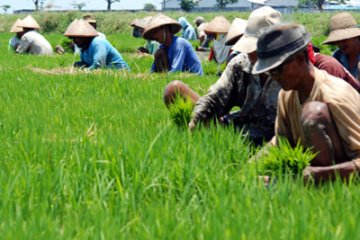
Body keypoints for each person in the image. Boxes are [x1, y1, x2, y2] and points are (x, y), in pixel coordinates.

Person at [253, 23, 360, 183]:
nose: (274, 77)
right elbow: (280, 142)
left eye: (277, 70)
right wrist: (247, 170)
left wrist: (320, 174)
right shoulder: (286, 95)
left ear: (300, 58)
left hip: (341, 180)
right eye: (270, 72)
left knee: (313, 113)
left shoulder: (334, 95)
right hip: (309, 176)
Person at [163, 6, 283, 145]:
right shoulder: (240, 64)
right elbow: (215, 99)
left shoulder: (290, 69)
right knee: (174, 89)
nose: (250, 52)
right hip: (239, 130)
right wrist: (196, 120)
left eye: (257, 46)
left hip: (278, 136)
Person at [64, 19, 130, 71]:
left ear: (84, 37)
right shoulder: (84, 47)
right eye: (73, 39)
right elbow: (86, 64)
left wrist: (84, 72)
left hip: (119, 72)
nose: (74, 42)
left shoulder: (98, 42)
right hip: (105, 72)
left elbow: (98, 65)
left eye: (76, 38)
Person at [323, 12, 360, 79]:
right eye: (337, 41)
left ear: (355, 36)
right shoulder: (337, 56)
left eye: (344, 40)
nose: (340, 44)